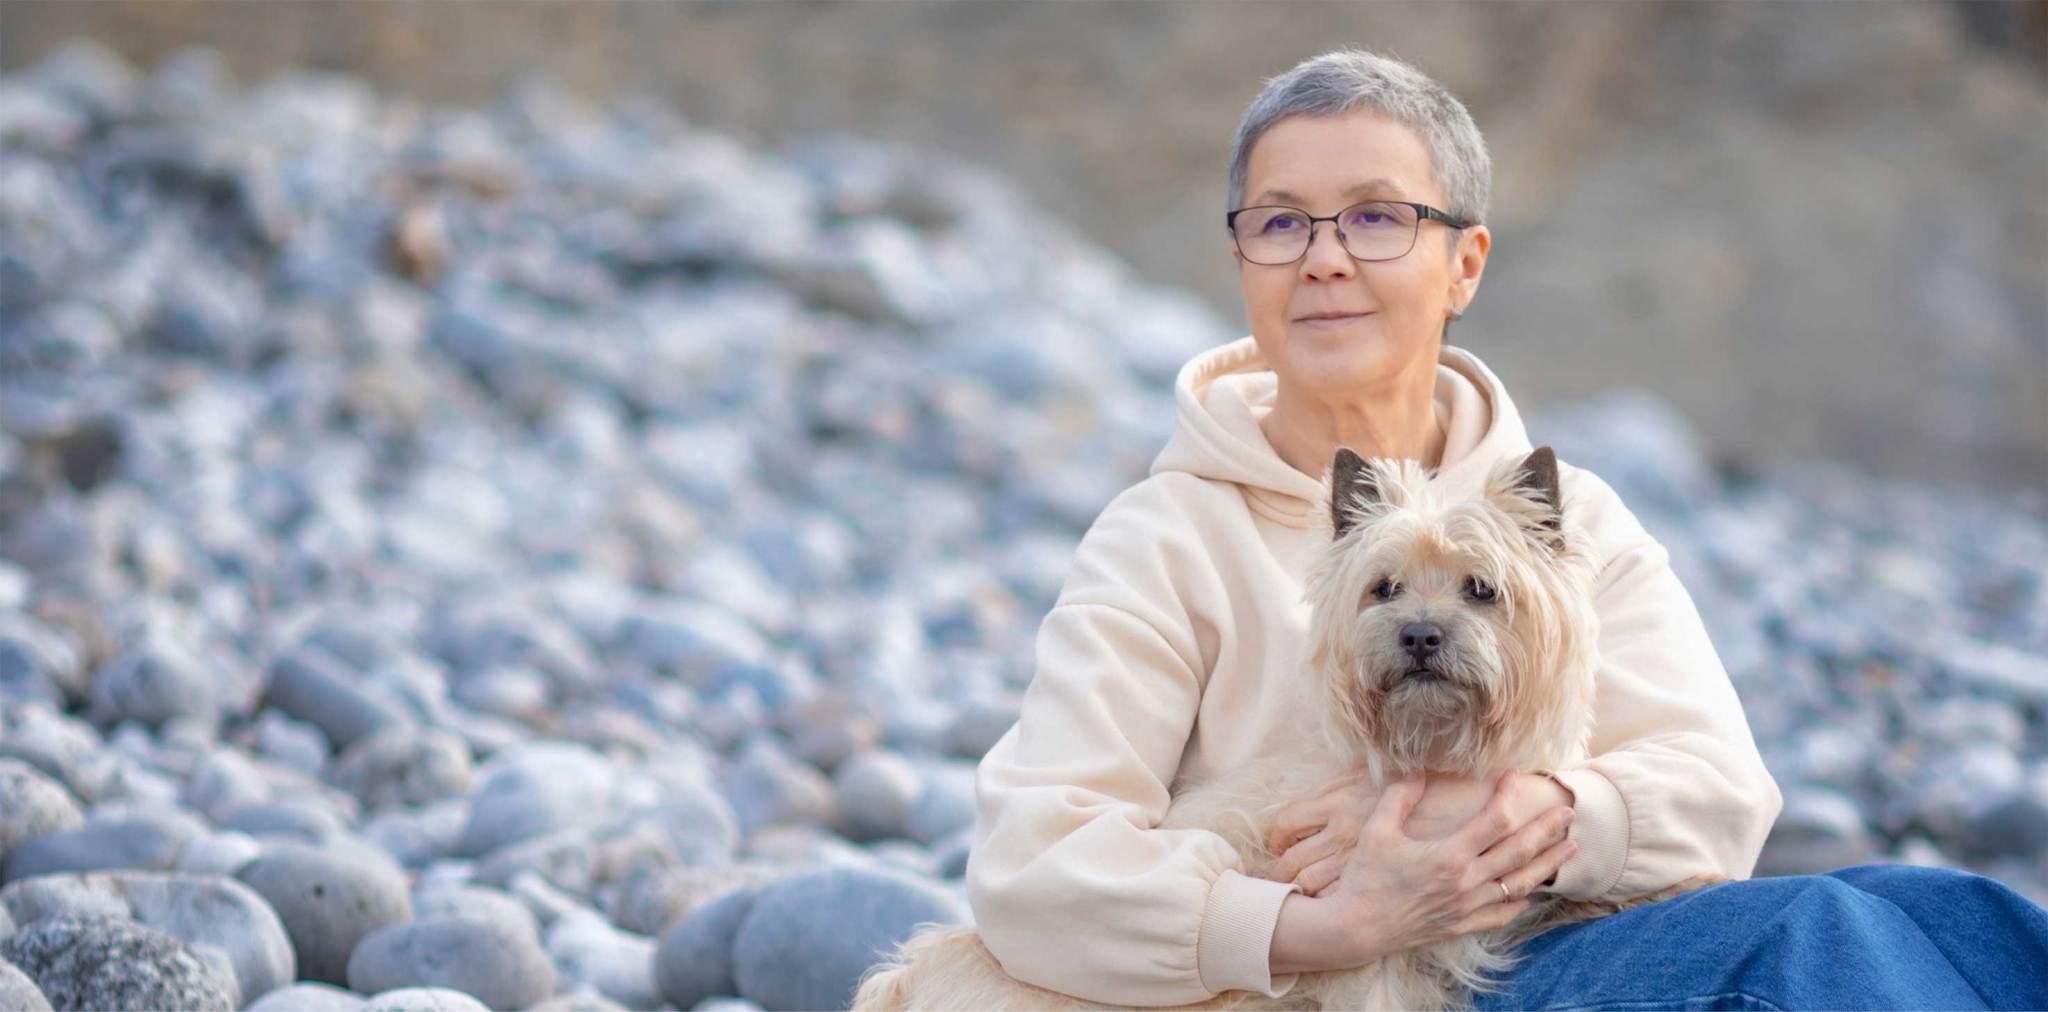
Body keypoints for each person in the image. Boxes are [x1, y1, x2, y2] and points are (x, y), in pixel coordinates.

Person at [961, 46, 2048, 1010]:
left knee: (1947, 914)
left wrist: (1509, 817)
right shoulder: (1164, 537)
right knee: (1806, 935)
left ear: (1464, 264)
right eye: (1281, 221)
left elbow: (1720, 794)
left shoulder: (1567, 516)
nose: (1324, 258)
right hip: (1336, 986)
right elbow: (1030, 866)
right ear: (1242, 260)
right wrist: (1323, 924)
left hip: (1522, 937)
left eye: (1377, 217)